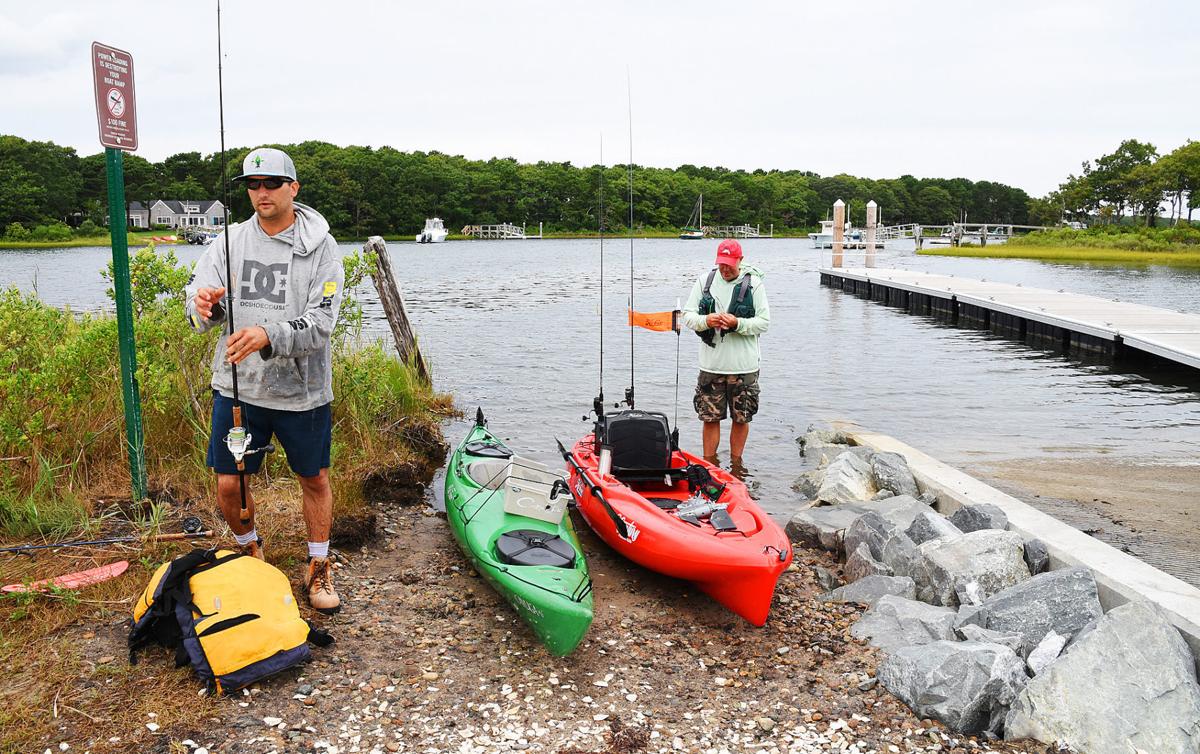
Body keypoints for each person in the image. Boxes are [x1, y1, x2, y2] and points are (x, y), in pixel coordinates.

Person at [185, 147, 344, 614]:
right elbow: (198, 303)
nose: (261, 193)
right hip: (238, 387)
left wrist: (266, 334)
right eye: (252, 186)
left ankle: (318, 567)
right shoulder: (229, 242)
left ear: (293, 188)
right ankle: (250, 548)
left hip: (304, 391)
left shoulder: (322, 247)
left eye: (271, 184)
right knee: (230, 485)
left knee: (313, 478)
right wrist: (205, 304)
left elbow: (322, 322)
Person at [681, 239, 769, 467]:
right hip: (711, 367)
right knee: (710, 419)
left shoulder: (755, 284)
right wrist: (706, 320)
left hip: (745, 368)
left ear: (740, 260)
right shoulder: (704, 281)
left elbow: (763, 323)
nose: (725, 268)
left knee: (741, 419)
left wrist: (737, 323)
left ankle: (736, 466)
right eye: (721, 263)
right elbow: (688, 316)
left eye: (729, 263)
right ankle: (710, 466)